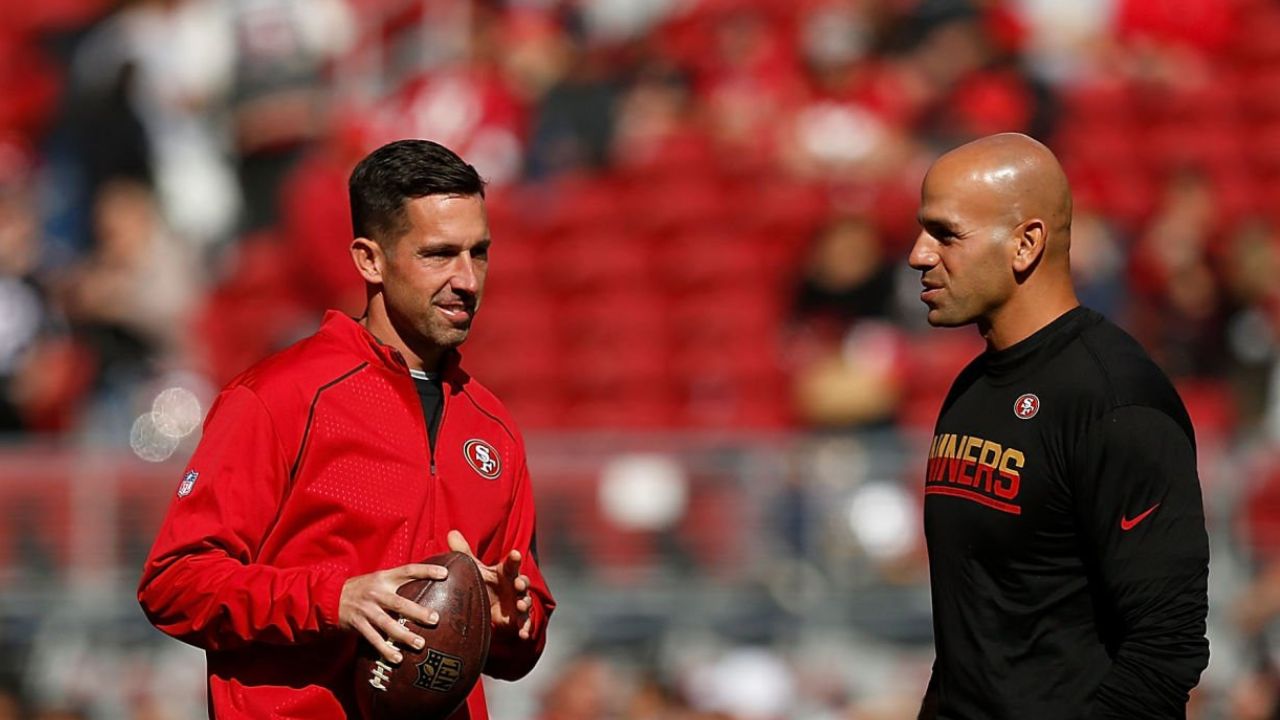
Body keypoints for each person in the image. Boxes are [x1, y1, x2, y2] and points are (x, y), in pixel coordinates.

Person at [138, 139, 555, 719]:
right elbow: (175, 583)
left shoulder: (494, 428)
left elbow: (520, 638)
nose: (466, 279)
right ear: (369, 260)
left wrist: (512, 622)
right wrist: (334, 600)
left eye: (478, 253)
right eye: (438, 254)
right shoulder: (276, 397)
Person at [908, 133, 1209, 719]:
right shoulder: (970, 391)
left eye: (945, 234)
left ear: (1025, 243)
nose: (919, 254)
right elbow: (974, 637)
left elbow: (1165, 646)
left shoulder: (1116, 400)